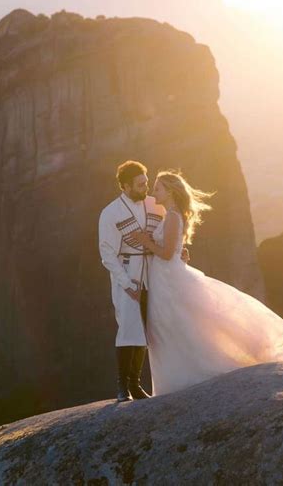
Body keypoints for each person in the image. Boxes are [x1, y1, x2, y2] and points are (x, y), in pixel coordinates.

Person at [129, 170, 283, 396]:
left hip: (169, 280)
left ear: (170, 191)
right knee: (171, 329)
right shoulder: (170, 214)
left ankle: (184, 380)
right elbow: (172, 250)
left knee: (169, 328)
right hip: (164, 279)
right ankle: (174, 382)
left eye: (158, 189)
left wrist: (145, 241)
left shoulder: (171, 216)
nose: (153, 193)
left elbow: (167, 253)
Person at [98, 161, 165, 402]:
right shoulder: (111, 213)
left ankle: (136, 384)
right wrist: (126, 283)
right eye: (140, 184)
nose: (145, 187)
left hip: (152, 273)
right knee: (128, 329)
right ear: (125, 186)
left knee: (145, 329)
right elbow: (107, 253)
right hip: (127, 272)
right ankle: (122, 387)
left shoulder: (151, 204)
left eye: (146, 182)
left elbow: (166, 233)